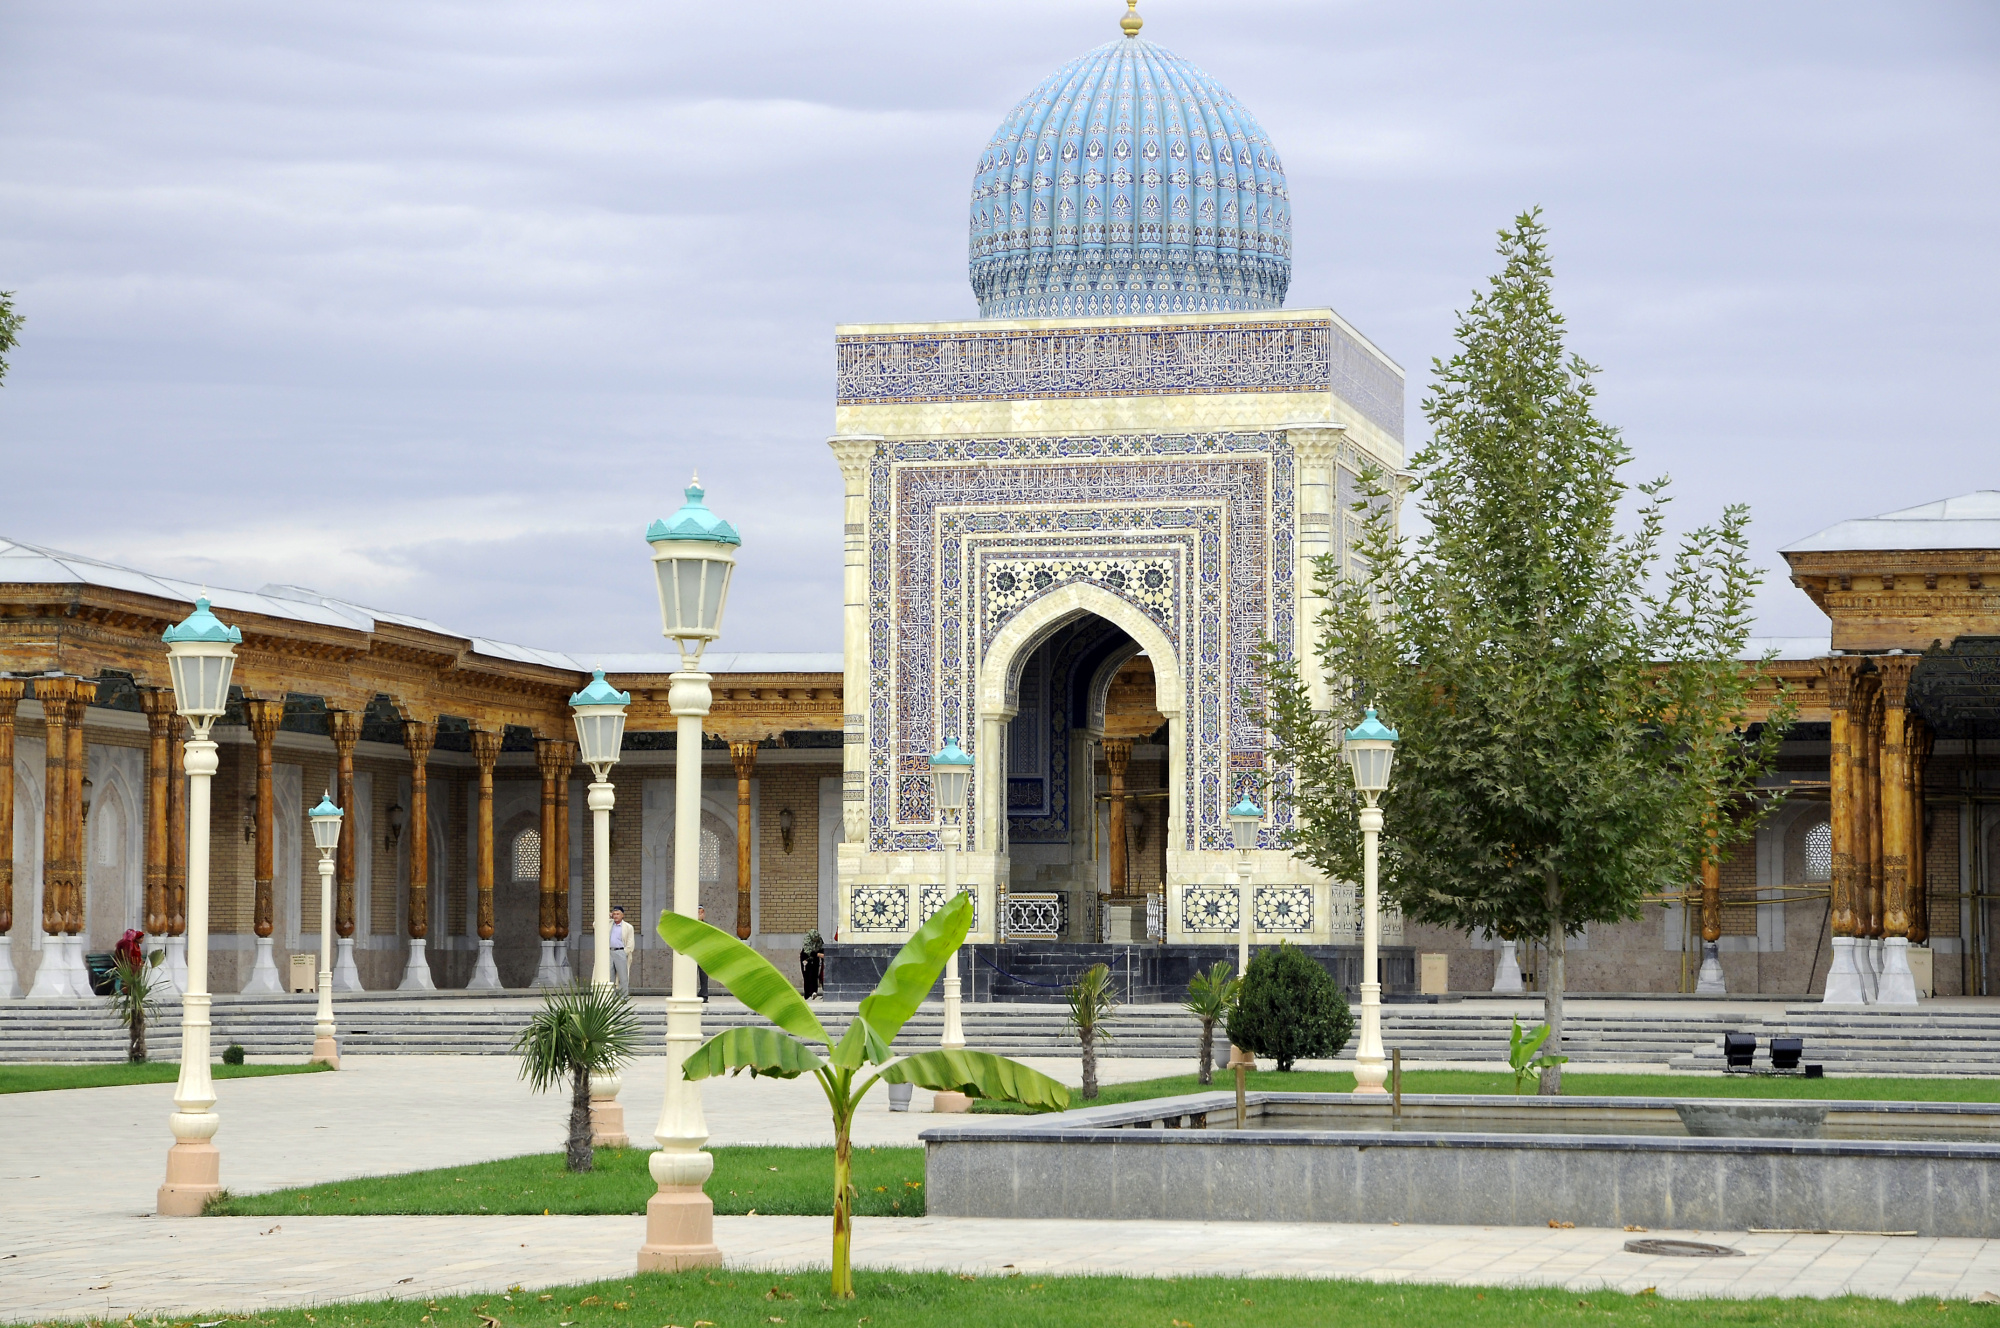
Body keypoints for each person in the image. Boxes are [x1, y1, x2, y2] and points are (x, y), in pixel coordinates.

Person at [608, 906, 633, 992]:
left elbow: (630, 943)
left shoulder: (628, 927)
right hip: (609, 952)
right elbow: (595, 925)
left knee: (622, 977)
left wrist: (624, 952)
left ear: (622, 915)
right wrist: (607, 916)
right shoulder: (609, 924)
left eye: (618, 914)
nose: (615, 916)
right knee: (609, 976)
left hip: (620, 951)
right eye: (614, 914)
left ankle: (623, 997)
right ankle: (611, 996)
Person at [800, 928, 824, 1000]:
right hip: (806, 958)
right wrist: (818, 954)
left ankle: (814, 992)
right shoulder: (807, 940)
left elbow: (822, 948)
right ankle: (807, 994)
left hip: (815, 958)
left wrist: (823, 955)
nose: (815, 940)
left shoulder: (819, 939)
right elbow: (808, 951)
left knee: (815, 974)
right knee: (807, 975)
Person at [696, 906, 709, 1001]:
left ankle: (704, 994)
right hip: (693, 951)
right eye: (698, 912)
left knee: (704, 975)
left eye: (702, 912)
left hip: (703, 953)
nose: (701, 914)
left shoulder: (707, 926)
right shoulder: (692, 925)